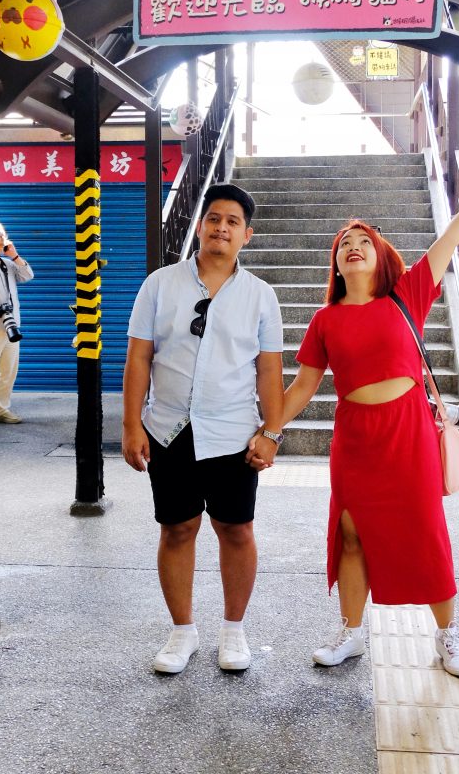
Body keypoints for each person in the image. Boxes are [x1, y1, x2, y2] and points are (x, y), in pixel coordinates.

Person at [279, 145, 459, 676]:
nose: (354, 247)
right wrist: (268, 430)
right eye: (345, 244)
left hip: (407, 430)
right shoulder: (324, 320)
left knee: (425, 530)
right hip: (355, 438)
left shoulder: (407, 294)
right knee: (352, 531)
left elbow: (450, 238)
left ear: (381, 257)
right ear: (336, 263)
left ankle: (448, 635)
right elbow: (301, 389)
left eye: (365, 242)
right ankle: (352, 632)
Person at [122, 184, 284, 675]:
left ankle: (234, 630)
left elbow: (270, 372)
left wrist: (270, 433)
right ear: (200, 226)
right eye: (214, 218)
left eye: (233, 221)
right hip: (169, 427)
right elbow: (139, 357)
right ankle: (182, 631)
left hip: (233, 433)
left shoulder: (261, 295)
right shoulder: (160, 284)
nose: (221, 227)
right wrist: (131, 424)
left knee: (236, 529)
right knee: (177, 528)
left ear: (247, 235)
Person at [0, 218, 34, 424]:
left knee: (8, 370)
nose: (3, 239)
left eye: (3, 235)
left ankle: (1, 409)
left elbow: (28, 275)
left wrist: (15, 255)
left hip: (11, 325)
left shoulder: (8, 264)